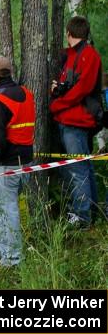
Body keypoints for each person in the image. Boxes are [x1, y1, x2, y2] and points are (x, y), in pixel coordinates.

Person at [50, 16, 103, 227]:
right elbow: (70, 84)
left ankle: (82, 217)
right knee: (84, 166)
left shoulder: (88, 55)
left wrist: (57, 104)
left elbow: (82, 90)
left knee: (77, 168)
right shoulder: (72, 54)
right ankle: (93, 210)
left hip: (77, 120)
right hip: (70, 119)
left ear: (69, 33)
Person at [0, 55, 34, 269]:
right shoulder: (26, 93)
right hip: (26, 161)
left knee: (6, 211)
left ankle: (12, 260)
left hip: (5, 164)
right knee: (3, 209)